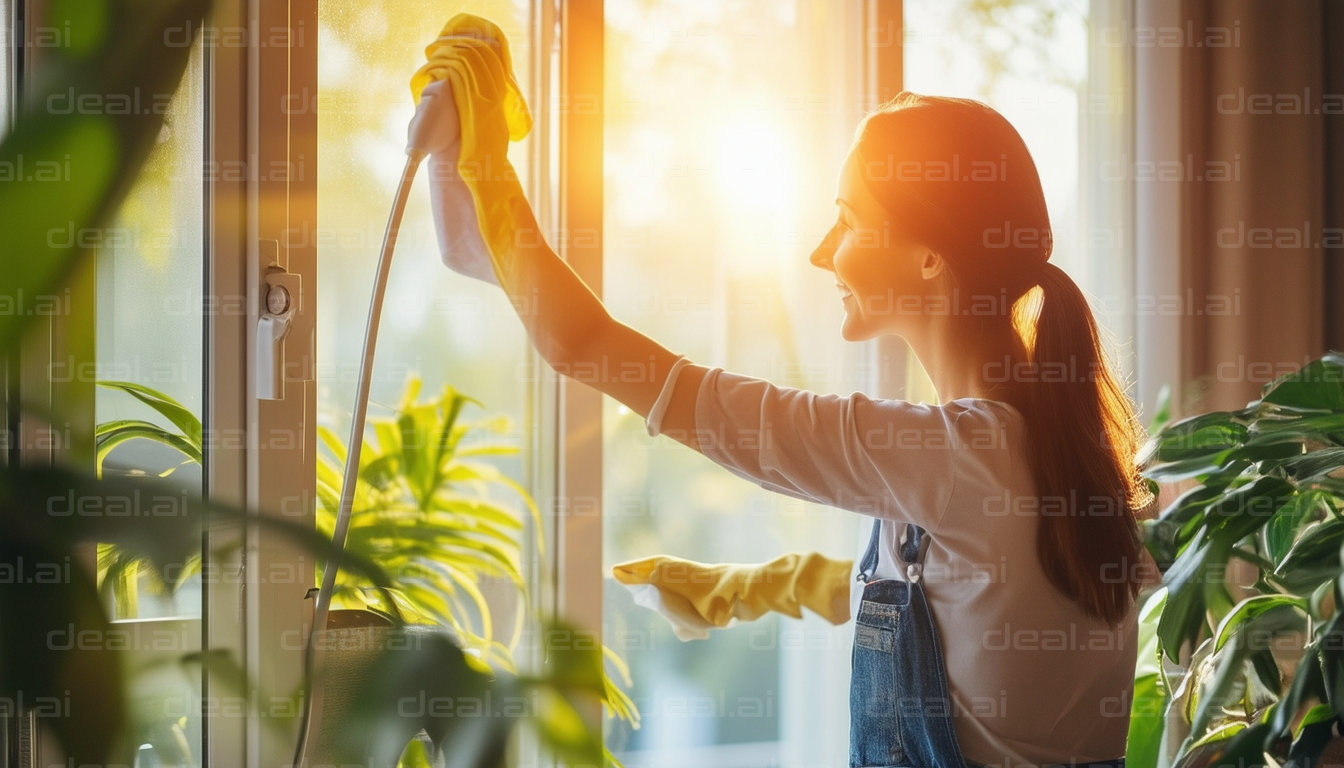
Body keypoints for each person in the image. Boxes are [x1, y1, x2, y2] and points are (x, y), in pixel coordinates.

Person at [468, 92, 1153, 768]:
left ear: (929, 256)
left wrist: (485, 165)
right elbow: (995, 614)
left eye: (849, 221)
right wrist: (777, 582)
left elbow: (580, 344)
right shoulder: (1067, 451)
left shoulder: (948, 457)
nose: (822, 253)